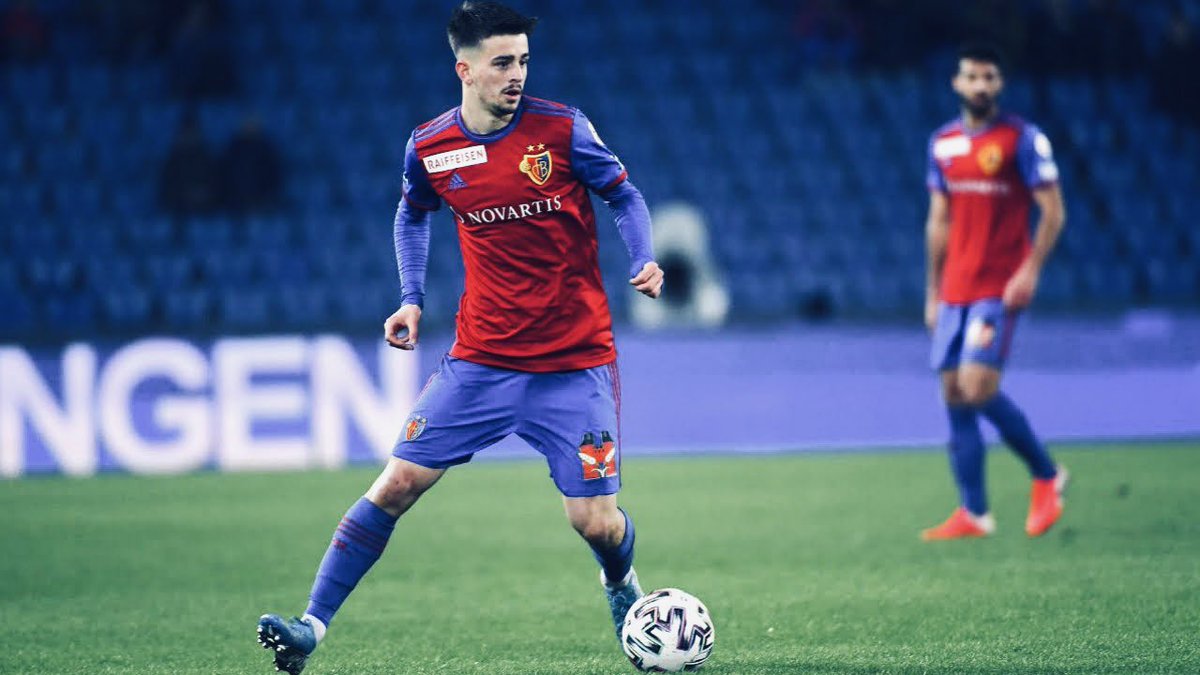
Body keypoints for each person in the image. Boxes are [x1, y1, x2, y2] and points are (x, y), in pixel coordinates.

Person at [255, 3, 664, 673]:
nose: (517, 75)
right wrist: (411, 298)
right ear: (465, 70)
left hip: (573, 363)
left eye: (523, 61)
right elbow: (412, 212)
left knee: (594, 522)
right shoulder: (432, 145)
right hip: (481, 361)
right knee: (396, 483)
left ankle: (621, 583)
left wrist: (642, 256)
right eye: (503, 63)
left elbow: (624, 195)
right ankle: (310, 628)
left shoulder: (562, 129)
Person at [921, 43, 1068, 541]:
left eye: (989, 77)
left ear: (1000, 84)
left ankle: (1047, 475)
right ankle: (974, 513)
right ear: (956, 83)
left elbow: (1054, 211)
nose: (980, 86)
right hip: (955, 286)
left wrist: (1030, 271)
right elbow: (938, 220)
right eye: (972, 77)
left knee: (977, 386)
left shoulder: (1022, 139)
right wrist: (932, 290)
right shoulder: (943, 143)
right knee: (952, 393)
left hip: (998, 285)